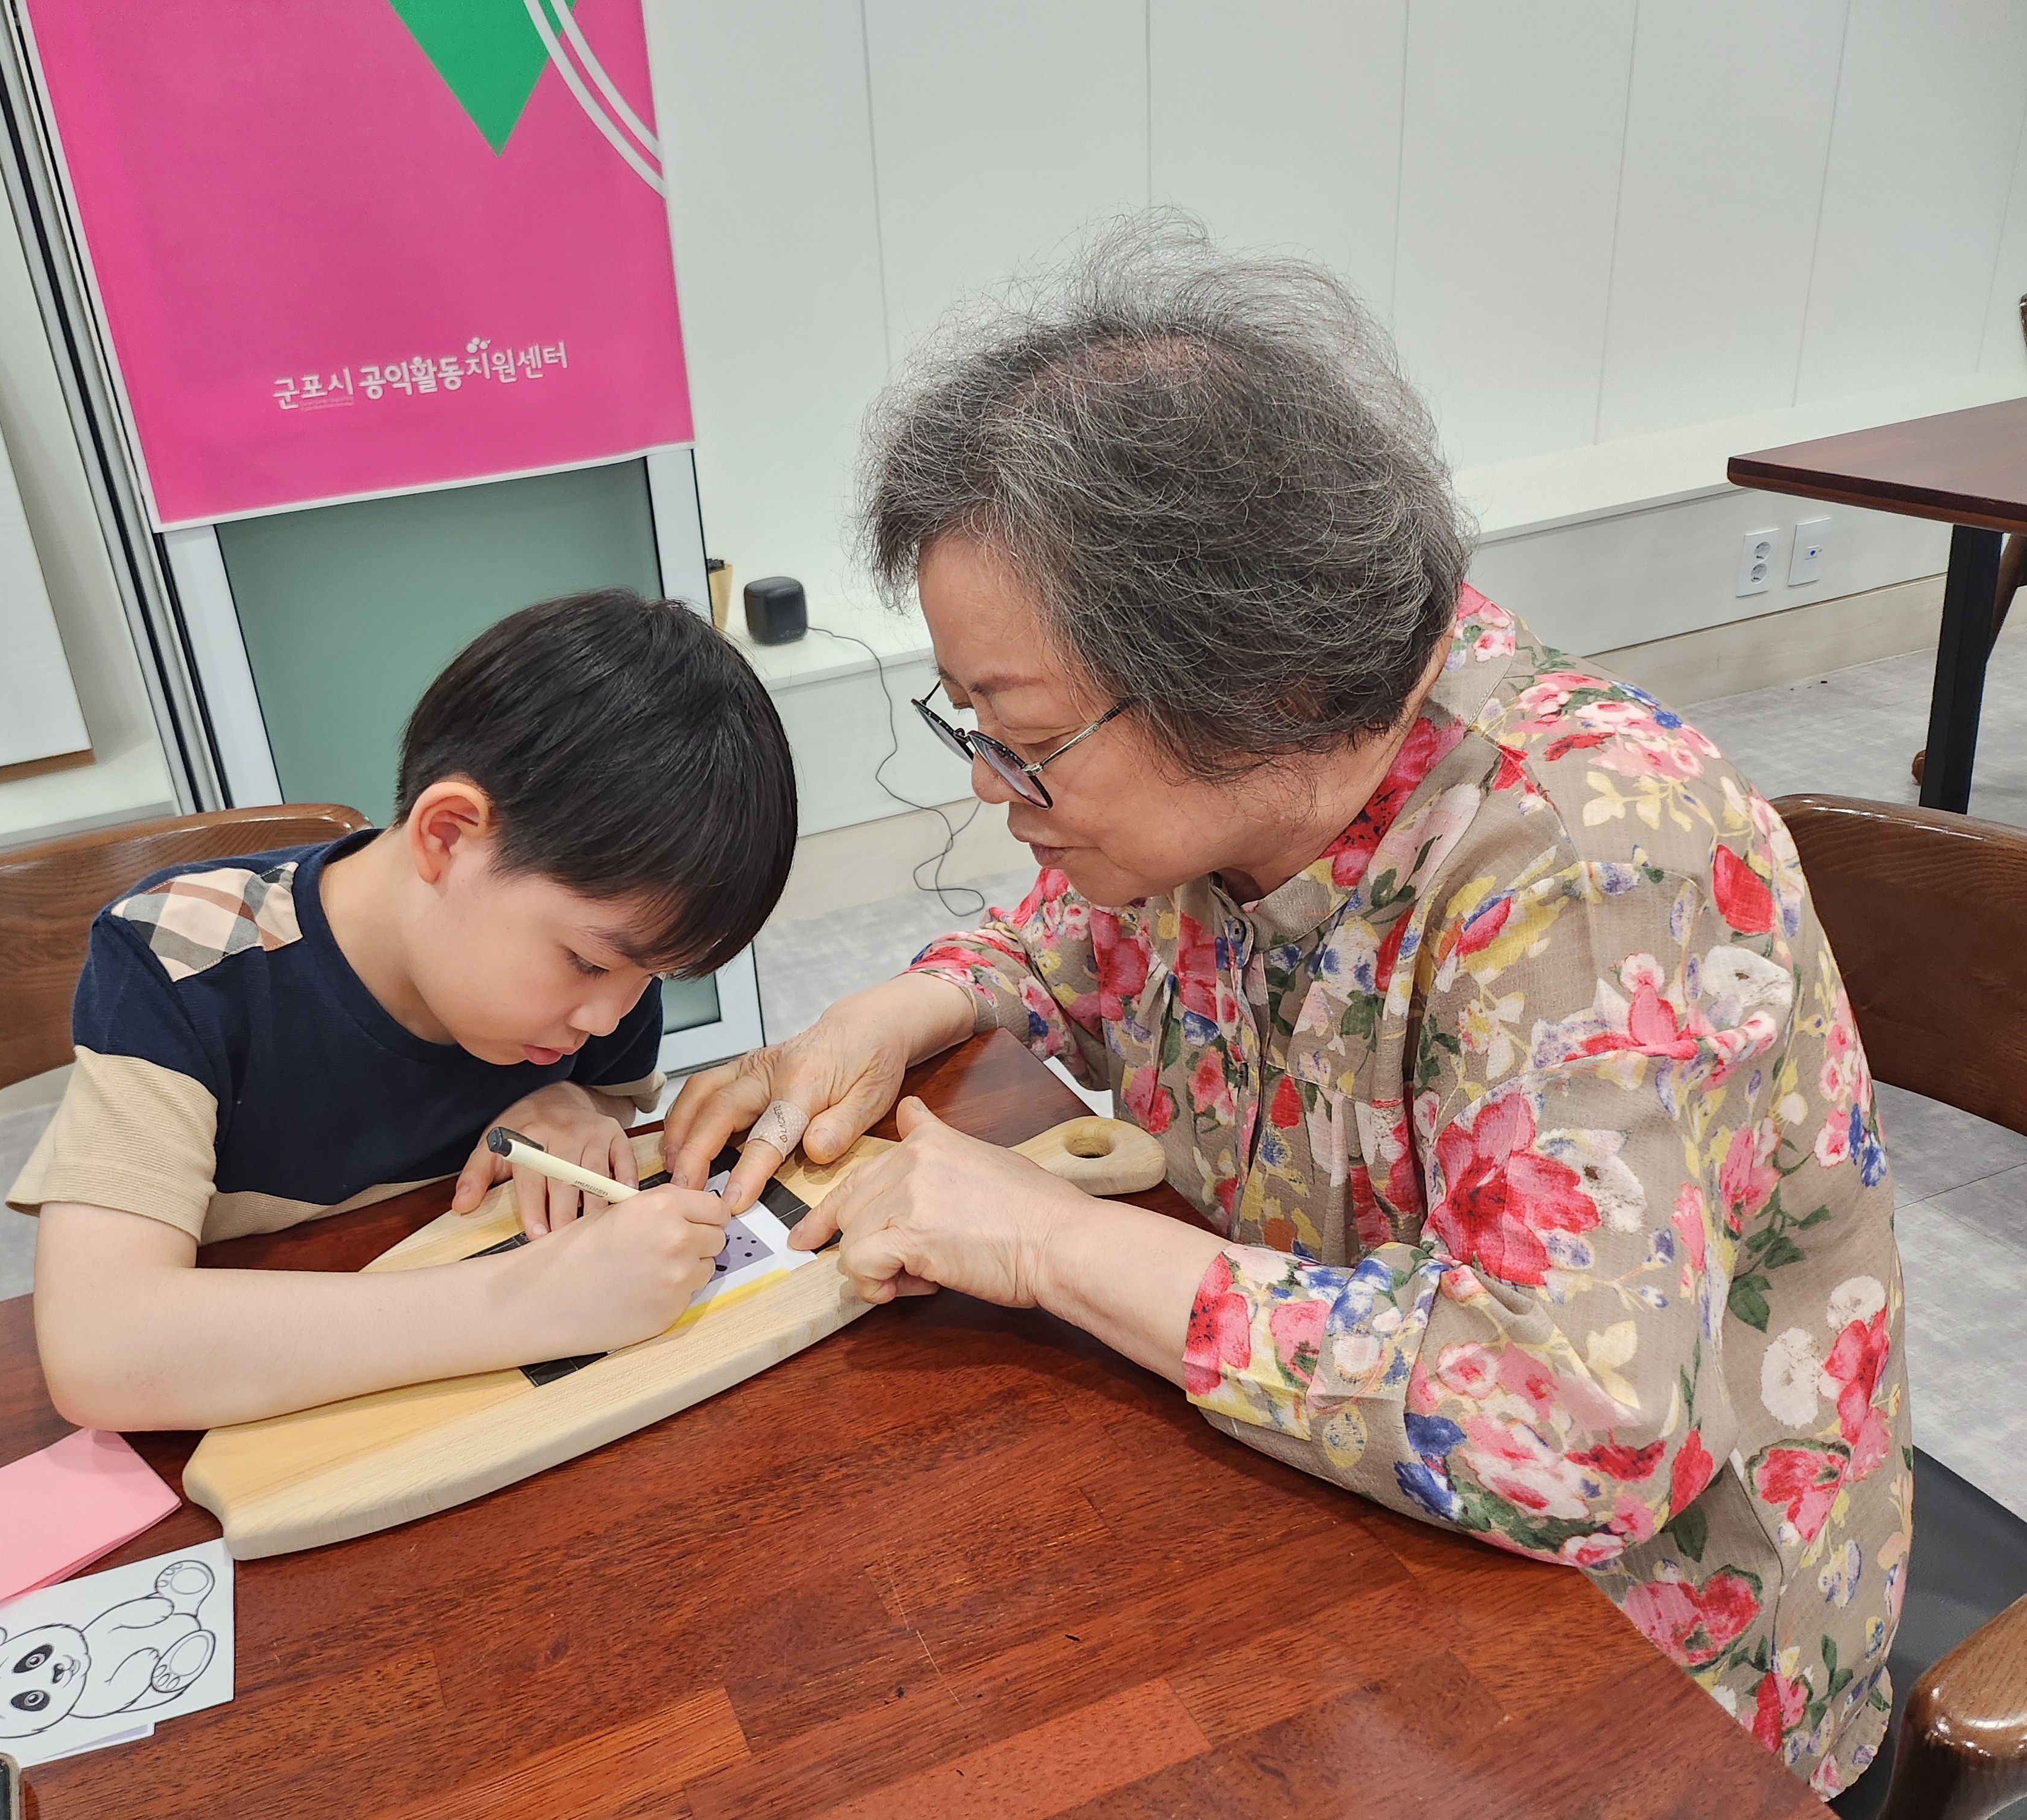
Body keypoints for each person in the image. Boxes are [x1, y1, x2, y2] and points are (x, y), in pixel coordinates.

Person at [666, 218, 1906, 1795]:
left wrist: (1052, 1242)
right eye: (968, 718)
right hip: (1330, 1499)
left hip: (1649, 1656)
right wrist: (911, 1005)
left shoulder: (1585, 869)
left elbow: (1568, 1431)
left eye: (1020, 733)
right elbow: (1075, 941)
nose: (991, 788)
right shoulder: (1230, 796)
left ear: (1251, 678)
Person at [18, 591, 795, 1432]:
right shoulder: (178, 960)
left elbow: (610, 1079)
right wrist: (537, 1304)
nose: (610, 1018)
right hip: (259, 1428)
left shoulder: (602, 980)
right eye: (586, 962)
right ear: (448, 836)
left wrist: (581, 1102)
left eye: (656, 976)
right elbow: (104, 1350)